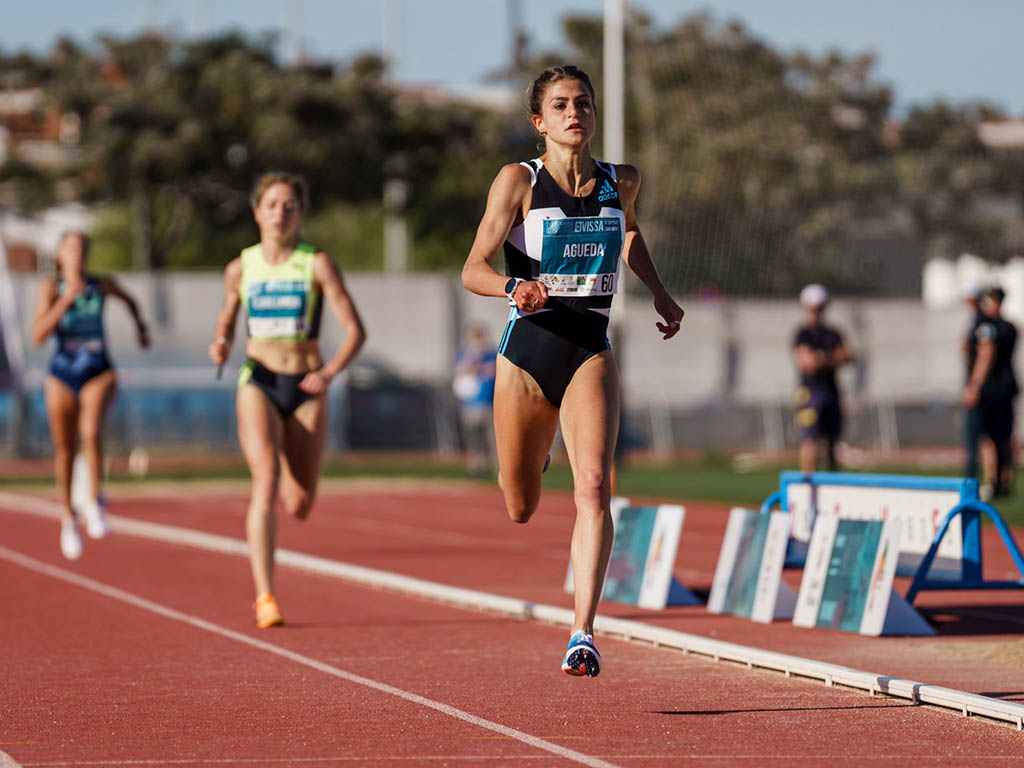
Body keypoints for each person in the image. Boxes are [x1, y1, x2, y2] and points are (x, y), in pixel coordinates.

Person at [460, 65, 684, 677]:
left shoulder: (621, 179)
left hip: (589, 349)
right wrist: (513, 287)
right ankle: (532, 459)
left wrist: (660, 293)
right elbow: (473, 267)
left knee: (593, 486)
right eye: (560, 105)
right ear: (540, 121)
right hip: (527, 356)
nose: (573, 113)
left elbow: (629, 233)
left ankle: (582, 631)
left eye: (582, 103)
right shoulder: (519, 181)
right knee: (520, 506)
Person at [208, 171, 366, 628]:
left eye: (289, 206)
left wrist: (328, 373)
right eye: (272, 205)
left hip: (306, 386)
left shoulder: (315, 264)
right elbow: (226, 317)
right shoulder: (241, 267)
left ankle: (282, 449)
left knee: (299, 503)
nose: (280, 213)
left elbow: (355, 331)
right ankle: (265, 596)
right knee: (265, 481)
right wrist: (221, 341)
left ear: (300, 213)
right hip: (259, 379)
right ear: (257, 212)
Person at [30, 231, 150, 559]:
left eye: (82, 248)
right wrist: (65, 301)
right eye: (70, 248)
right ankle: (68, 517)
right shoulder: (51, 287)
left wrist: (141, 328)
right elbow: (38, 334)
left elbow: (130, 301)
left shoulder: (101, 285)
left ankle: (93, 501)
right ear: (59, 254)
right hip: (62, 373)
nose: (77, 253)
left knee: (92, 430)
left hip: (98, 369)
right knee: (66, 448)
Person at [963, 286, 1018, 497]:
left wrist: (974, 386)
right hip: (1006, 388)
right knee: (1002, 438)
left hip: (988, 391)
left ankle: (974, 484)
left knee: (981, 438)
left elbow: (985, 355)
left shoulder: (985, 326)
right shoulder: (1010, 327)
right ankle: (1002, 482)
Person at [792, 284, 852, 473]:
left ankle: (832, 483)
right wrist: (831, 358)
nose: (816, 311)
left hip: (831, 391)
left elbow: (847, 356)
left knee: (833, 440)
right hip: (810, 392)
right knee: (811, 439)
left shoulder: (833, 333)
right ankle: (808, 483)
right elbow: (807, 363)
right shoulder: (803, 334)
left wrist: (820, 358)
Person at [453, 325, 498, 476]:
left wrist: (477, 366)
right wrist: (474, 360)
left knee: (493, 438)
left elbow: (492, 370)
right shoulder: (465, 354)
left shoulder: (492, 354)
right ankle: (478, 465)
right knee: (474, 438)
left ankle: (498, 466)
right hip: (470, 404)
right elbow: (461, 369)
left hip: (489, 403)